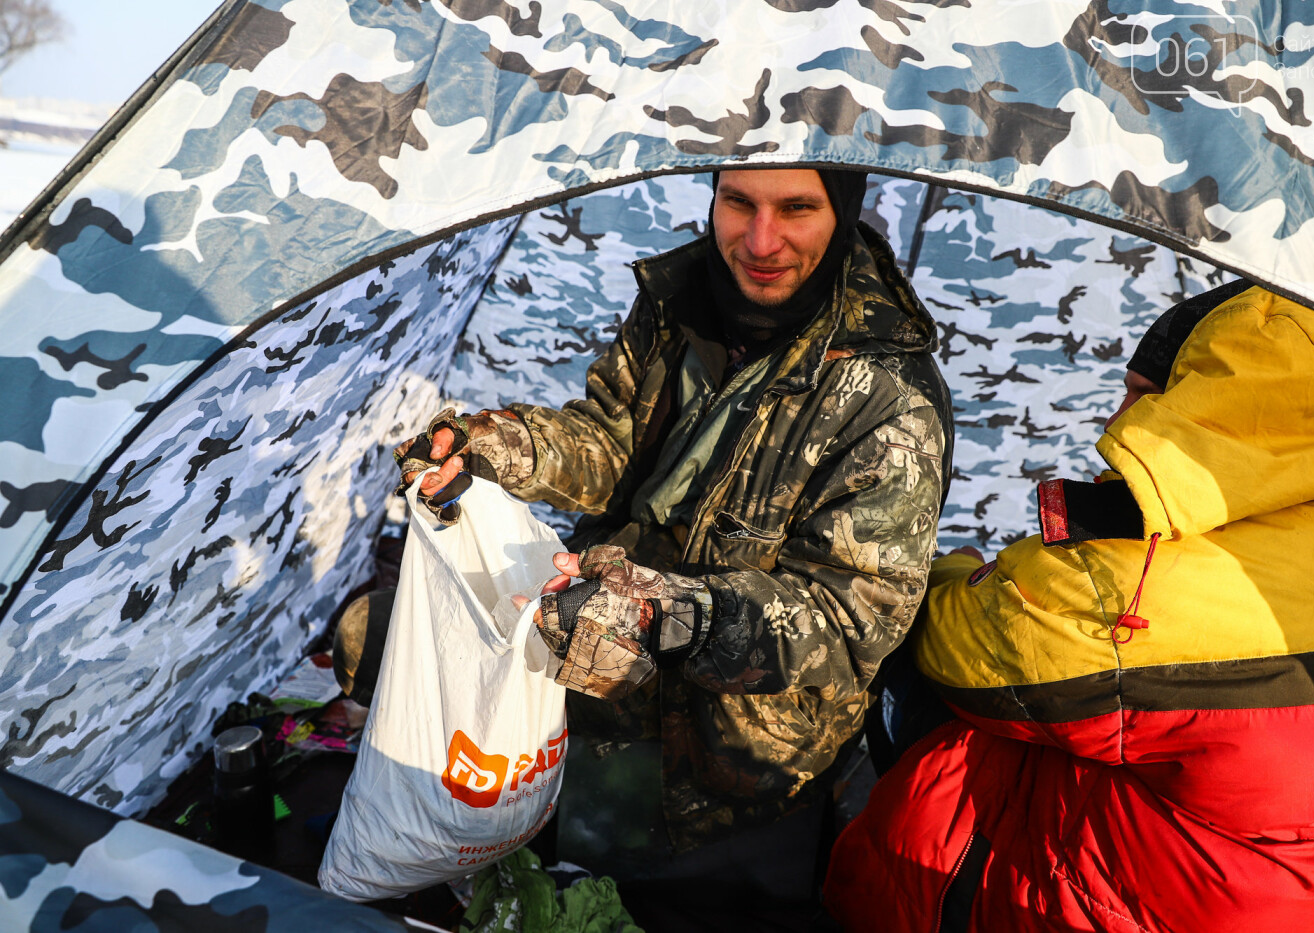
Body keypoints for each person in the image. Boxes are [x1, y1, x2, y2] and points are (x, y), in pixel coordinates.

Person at [391, 168, 953, 904]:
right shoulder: (679, 301)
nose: (760, 240)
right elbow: (609, 441)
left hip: (743, 784)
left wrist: (669, 612)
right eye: (738, 202)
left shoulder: (890, 398)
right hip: (604, 712)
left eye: (797, 209)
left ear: (843, 211)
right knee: (582, 901)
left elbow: (848, 620)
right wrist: (499, 447)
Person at [823, 280, 1314, 931]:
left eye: (1146, 397)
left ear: (1213, 404)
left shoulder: (1151, 577)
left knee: (913, 667)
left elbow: (962, 640)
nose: (1117, 421)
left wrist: (955, 570)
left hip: (1130, 906)